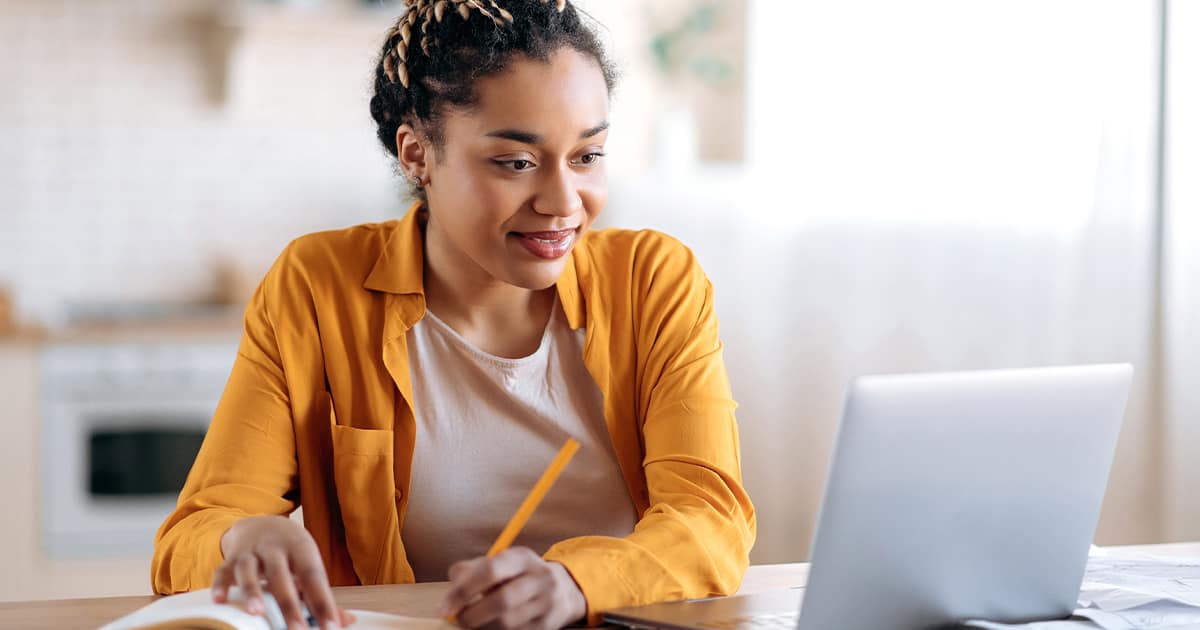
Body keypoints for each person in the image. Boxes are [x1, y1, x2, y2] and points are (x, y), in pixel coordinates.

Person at [151, 1, 756, 628]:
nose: (563, 201)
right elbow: (191, 537)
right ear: (417, 154)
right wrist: (241, 540)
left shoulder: (654, 282)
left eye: (587, 156)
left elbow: (711, 520)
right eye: (516, 162)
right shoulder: (318, 287)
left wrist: (576, 584)